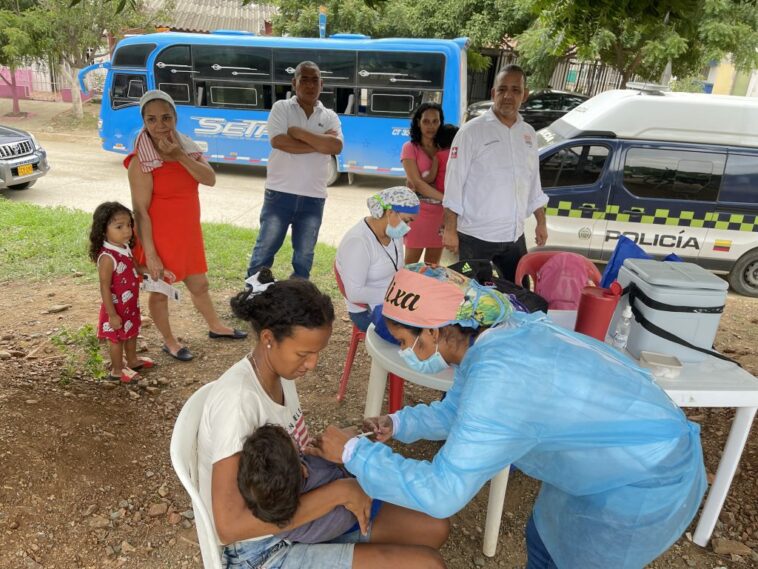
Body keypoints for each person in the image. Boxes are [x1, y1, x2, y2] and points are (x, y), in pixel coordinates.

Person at [313, 264, 707, 569]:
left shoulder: (502, 376)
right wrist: (398, 424)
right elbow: (459, 411)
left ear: (435, 332)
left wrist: (353, 453)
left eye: (404, 341)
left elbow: (441, 493)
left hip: (644, 475)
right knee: (544, 537)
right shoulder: (494, 338)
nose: (404, 352)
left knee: (583, 557)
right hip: (602, 458)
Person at [197, 269, 449, 569]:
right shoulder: (238, 403)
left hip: (299, 516)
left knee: (434, 528)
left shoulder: (280, 372)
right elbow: (230, 526)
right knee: (428, 565)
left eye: (317, 352)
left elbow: (281, 463)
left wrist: (332, 446)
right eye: (304, 353)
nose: (312, 364)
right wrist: (338, 493)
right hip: (262, 549)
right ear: (268, 338)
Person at [127, 90, 246, 363]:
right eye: (152, 119)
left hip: (187, 234)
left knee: (199, 284)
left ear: (175, 118)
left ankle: (216, 327)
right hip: (158, 236)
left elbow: (210, 179)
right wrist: (152, 254)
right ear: (144, 122)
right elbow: (140, 211)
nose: (160, 126)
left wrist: (179, 155)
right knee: (160, 292)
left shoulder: (188, 148)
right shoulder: (140, 161)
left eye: (166, 118)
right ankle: (169, 341)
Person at [443, 65, 549, 283]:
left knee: (518, 295)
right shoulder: (471, 131)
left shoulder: (528, 134)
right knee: (469, 297)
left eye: (515, 90)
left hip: (513, 236)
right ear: (493, 93)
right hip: (475, 236)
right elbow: (454, 182)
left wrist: (541, 222)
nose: (508, 96)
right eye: (502, 90)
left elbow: (533, 183)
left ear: (525, 95)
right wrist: (450, 230)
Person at [246, 61, 343, 280]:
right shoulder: (281, 108)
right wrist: (320, 144)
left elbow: (336, 147)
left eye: (315, 80)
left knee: (304, 256)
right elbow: (279, 142)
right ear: (294, 82)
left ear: (322, 84)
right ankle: (253, 293)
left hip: (314, 198)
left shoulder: (330, 116)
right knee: (265, 248)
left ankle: (298, 295)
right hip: (280, 193)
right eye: (304, 79)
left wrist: (299, 132)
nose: (310, 85)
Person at [238, 424, 364, 544]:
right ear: (303, 470)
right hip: (360, 513)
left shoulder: (275, 511)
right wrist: (352, 443)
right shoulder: (315, 468)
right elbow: (352, 465)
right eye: (299, 453)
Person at [335, 187, 420, 332]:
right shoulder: (358, 242)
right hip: (366, 310)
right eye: (406, 221)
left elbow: (398, 268)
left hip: (394, 300)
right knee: (419, 335)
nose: (408, 227)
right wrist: (400, 295)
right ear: (390, 212)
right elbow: (355, 293)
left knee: (434, 320)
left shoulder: (393, 233)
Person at [89, 201, 154, 383]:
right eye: (119, 226)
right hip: (115, 309)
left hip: (131, 304)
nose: (127, 231)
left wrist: (157, 272)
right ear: (103, 230)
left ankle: (132, 361)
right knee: (116, 339)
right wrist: (112, 315)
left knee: (132, 331)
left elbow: (136, 268)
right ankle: (118, 370)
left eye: (129, 225)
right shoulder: (108, 258)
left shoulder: (124, 248)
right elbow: (104, 287)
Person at [401, 103, 445, 265]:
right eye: (426, 121)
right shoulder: (410, 148)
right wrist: (446, 198)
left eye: (435, 121)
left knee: (433, 269)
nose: (431, 126)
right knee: (410, 267)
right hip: (418, 214)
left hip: (441, 216)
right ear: (418, 122)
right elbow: (417, 183)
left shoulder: (444, 149)